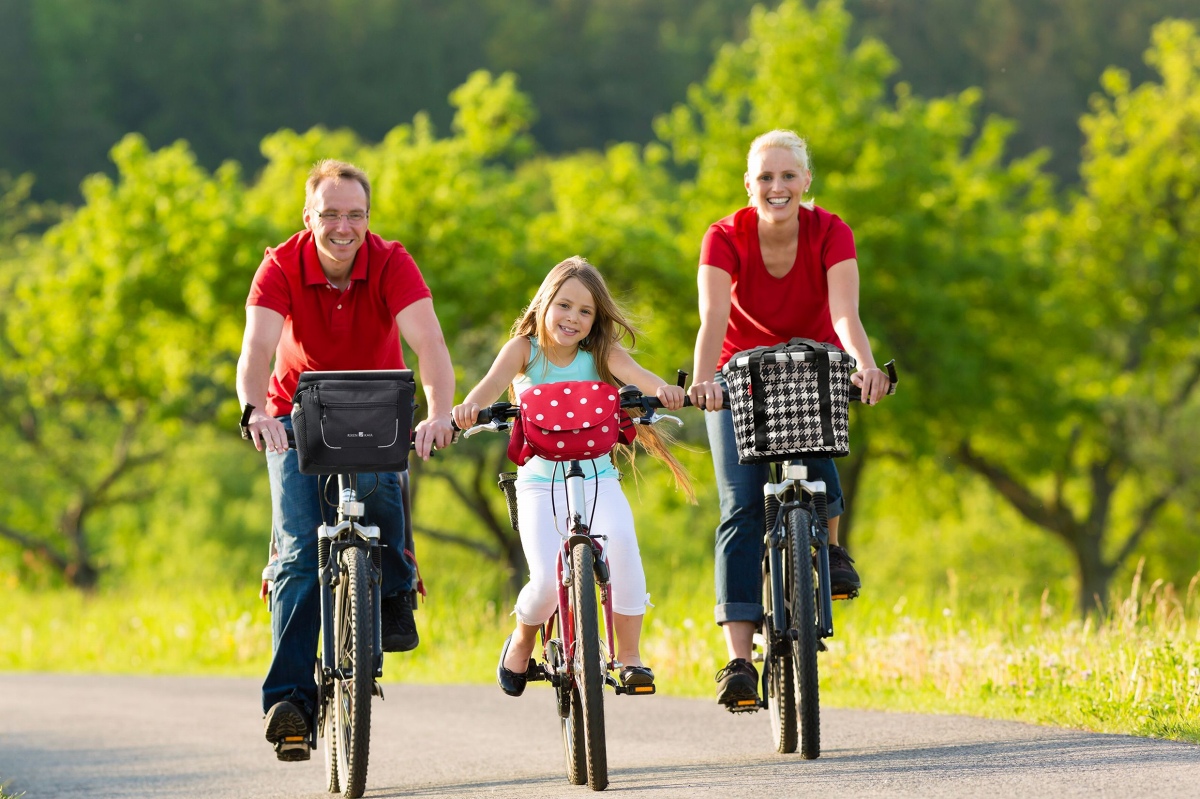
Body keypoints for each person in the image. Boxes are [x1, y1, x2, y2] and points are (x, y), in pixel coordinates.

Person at [236, 159, 455, 760]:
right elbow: (256, 346)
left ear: (367, 219)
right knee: (301, 550)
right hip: (294, 413)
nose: (343, 226)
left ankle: (394, 589)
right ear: (308, 218)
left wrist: (438, 412)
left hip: (375, 403)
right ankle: (290, 703)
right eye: (330, 214)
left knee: (384, 497)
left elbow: (429, 343)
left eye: (355, 214)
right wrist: (254, 410)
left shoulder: (390, 261)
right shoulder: (280, 265)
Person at [687, 130, 891, 709]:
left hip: (811, 361)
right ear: (748, 185)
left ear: (806, 182)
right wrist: (704, 383)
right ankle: (739, 659)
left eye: (788, 176)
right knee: (742, 504)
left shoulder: (831, 231)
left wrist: (866, 367)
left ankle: (829, 549)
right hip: (738, 375)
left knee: (816, 417)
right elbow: (713, 318)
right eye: (766, 178)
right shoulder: (724, 237)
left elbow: (845, 313)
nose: (777, 187)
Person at [452, 256, 691, 696]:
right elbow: (486, 388)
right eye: (564, 305)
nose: (573, 318)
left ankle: (631, 656)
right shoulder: (523, 351)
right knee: (544, 581)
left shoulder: (600, 353)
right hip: (540, 483)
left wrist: (667, 391)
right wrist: (466, 411)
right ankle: (522, 640)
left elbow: (641, 379)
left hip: (597, 477)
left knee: (622, 546)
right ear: (544, 302)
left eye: (586, 312)